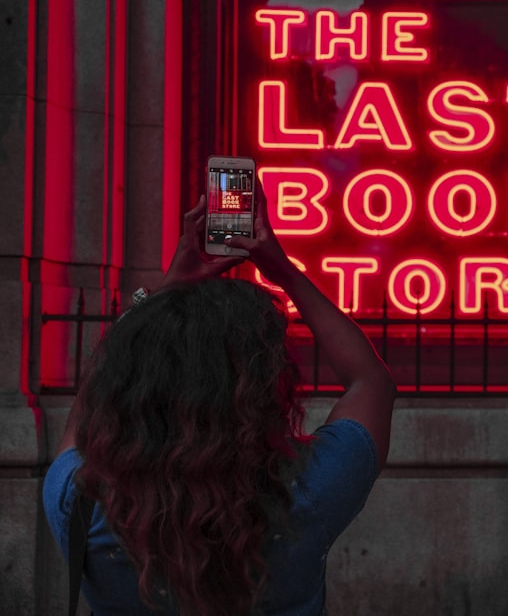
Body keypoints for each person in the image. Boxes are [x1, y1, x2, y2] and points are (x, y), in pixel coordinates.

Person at [43, 183, 397, 615]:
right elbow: (371, 381)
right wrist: (282, 270)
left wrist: (166, 290)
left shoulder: (80, 502)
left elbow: (90, 406)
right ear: (269, 388)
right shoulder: (308, 491)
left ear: (129, 386)